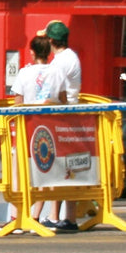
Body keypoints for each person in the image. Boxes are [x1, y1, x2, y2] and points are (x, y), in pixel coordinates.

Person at [41, 19, 83, 233]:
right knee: (68, 167)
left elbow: (54, 93)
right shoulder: (70, 57)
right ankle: (63, 217)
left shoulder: (59, 62)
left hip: (61, 116)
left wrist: (38, 106)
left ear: (51, 40)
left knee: (58, 166)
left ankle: (55, 216)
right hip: (70, 115)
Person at [8, 33, 53, 228]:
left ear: (32, 52)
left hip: (27, 127)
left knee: (19, 172)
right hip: (49, 128)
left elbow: (17, 101)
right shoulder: (56, 71)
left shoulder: (25, 73)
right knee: (45, 171)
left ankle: (17, 216)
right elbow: (62, 98)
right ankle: (35, 216)